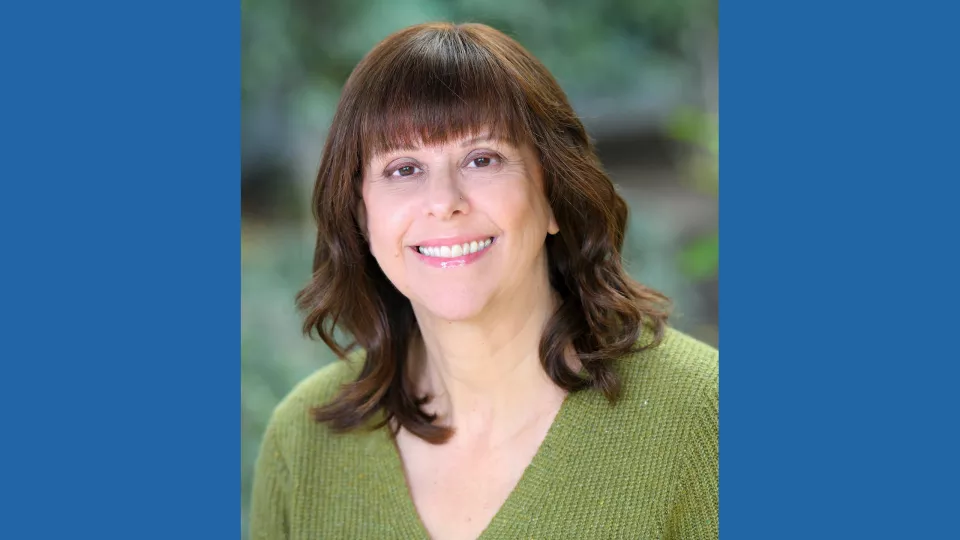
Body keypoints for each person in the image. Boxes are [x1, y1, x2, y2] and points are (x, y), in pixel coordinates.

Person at [249, 21, 718, 540]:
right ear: (362, 217)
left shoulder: (704, 420)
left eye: (482, 159)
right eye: (404, 169)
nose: (444, 201)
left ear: (552, 197)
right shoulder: (304, 443)